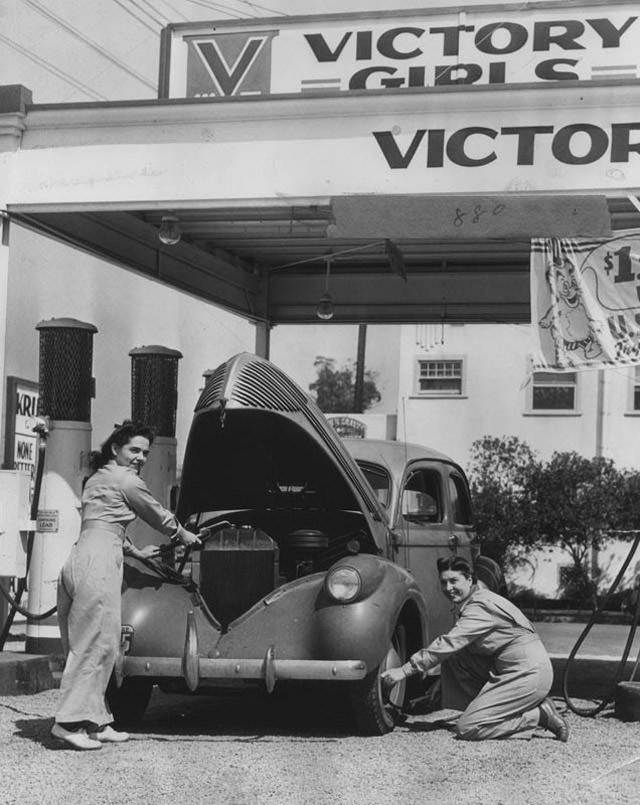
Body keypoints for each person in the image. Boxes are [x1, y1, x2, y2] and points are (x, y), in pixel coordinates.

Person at [51, 421, 205, 750]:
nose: (140, 458)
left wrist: (135, 551)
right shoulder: (126, 479)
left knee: (103, 641)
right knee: (95, 642)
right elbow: (155, 513)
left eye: (145, 453)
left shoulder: (98, 477)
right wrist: (183, 534)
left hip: (82, 555)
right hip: (99, 564)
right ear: (115, 449)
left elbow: (101, 524)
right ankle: (66, 723)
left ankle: (95, 720)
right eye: (134, 450)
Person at [381, 556, 569, 742]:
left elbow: (448, 643)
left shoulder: (480, 606)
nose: (448, 588)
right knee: (456, 656)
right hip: (514, 670)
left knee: (469, 728)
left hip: (528, 674)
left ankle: (537, 716)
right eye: (443, 582)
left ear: (470, 580)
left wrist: (404, 670)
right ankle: (488, 709)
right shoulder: (479, 599)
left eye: (454, 581)